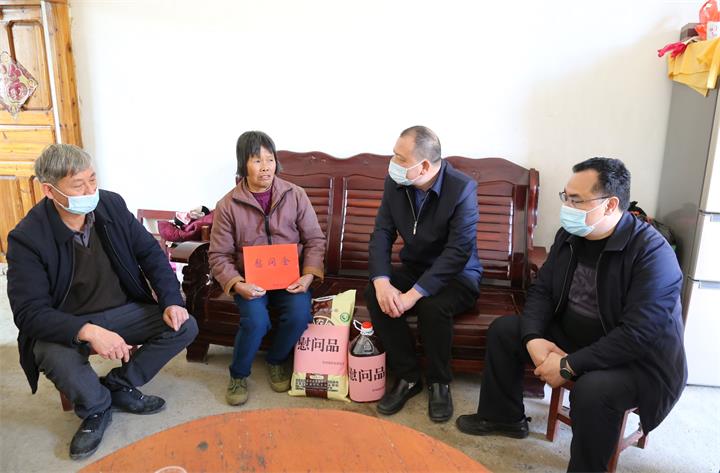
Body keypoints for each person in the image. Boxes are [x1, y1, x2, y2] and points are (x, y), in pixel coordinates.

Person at [455, 157, 687, 472]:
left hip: (637, 361)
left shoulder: (653, 254)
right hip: (578, 334)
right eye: (566, 197)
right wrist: (533, 338)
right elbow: (542, 291)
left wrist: (569, 365)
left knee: (592, 390)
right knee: (505, 330)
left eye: (576, 200)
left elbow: (638, 335)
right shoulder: (570, 236)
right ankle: (503, 417)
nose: (567, 207)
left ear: (610, 205)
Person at [6, 144, 198, 460]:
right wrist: (88, 331)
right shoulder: (27, 237)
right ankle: (96, 407)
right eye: (78, 185)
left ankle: (120, 385)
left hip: (122, 309)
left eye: (92, 179)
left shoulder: (110, 205)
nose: (90, 191)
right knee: (50, 353)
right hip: (69, 322)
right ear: (49, 190)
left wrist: (171, 300)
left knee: (184, 325)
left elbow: (150, 254)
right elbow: (29, 313)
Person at [365, 125, 483, 423]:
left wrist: (412, 296)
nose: (392, 163)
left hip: (458, 274)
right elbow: (382, 232)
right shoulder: (396, 183)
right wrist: (382, 282)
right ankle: (408, 376)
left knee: (433, 306)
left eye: (400, 158)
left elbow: (458, 251)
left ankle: (439, 382)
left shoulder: (461, 189)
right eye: (394, 154)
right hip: (415, 267)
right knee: (375, 294)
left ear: (425, 166)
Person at [209, 130, 326, 406]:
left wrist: (308, 275)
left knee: (299, 314)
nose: (265, 167)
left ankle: (276, 360)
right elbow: (218, 255)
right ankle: (238, 374)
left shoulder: (295, 195)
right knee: (256, 321)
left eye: (270, 159)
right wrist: (237, 284)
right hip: (249, 281)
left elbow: (314, 240)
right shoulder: (227, 205)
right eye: (257, 160)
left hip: (291, 278)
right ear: (243, 164)